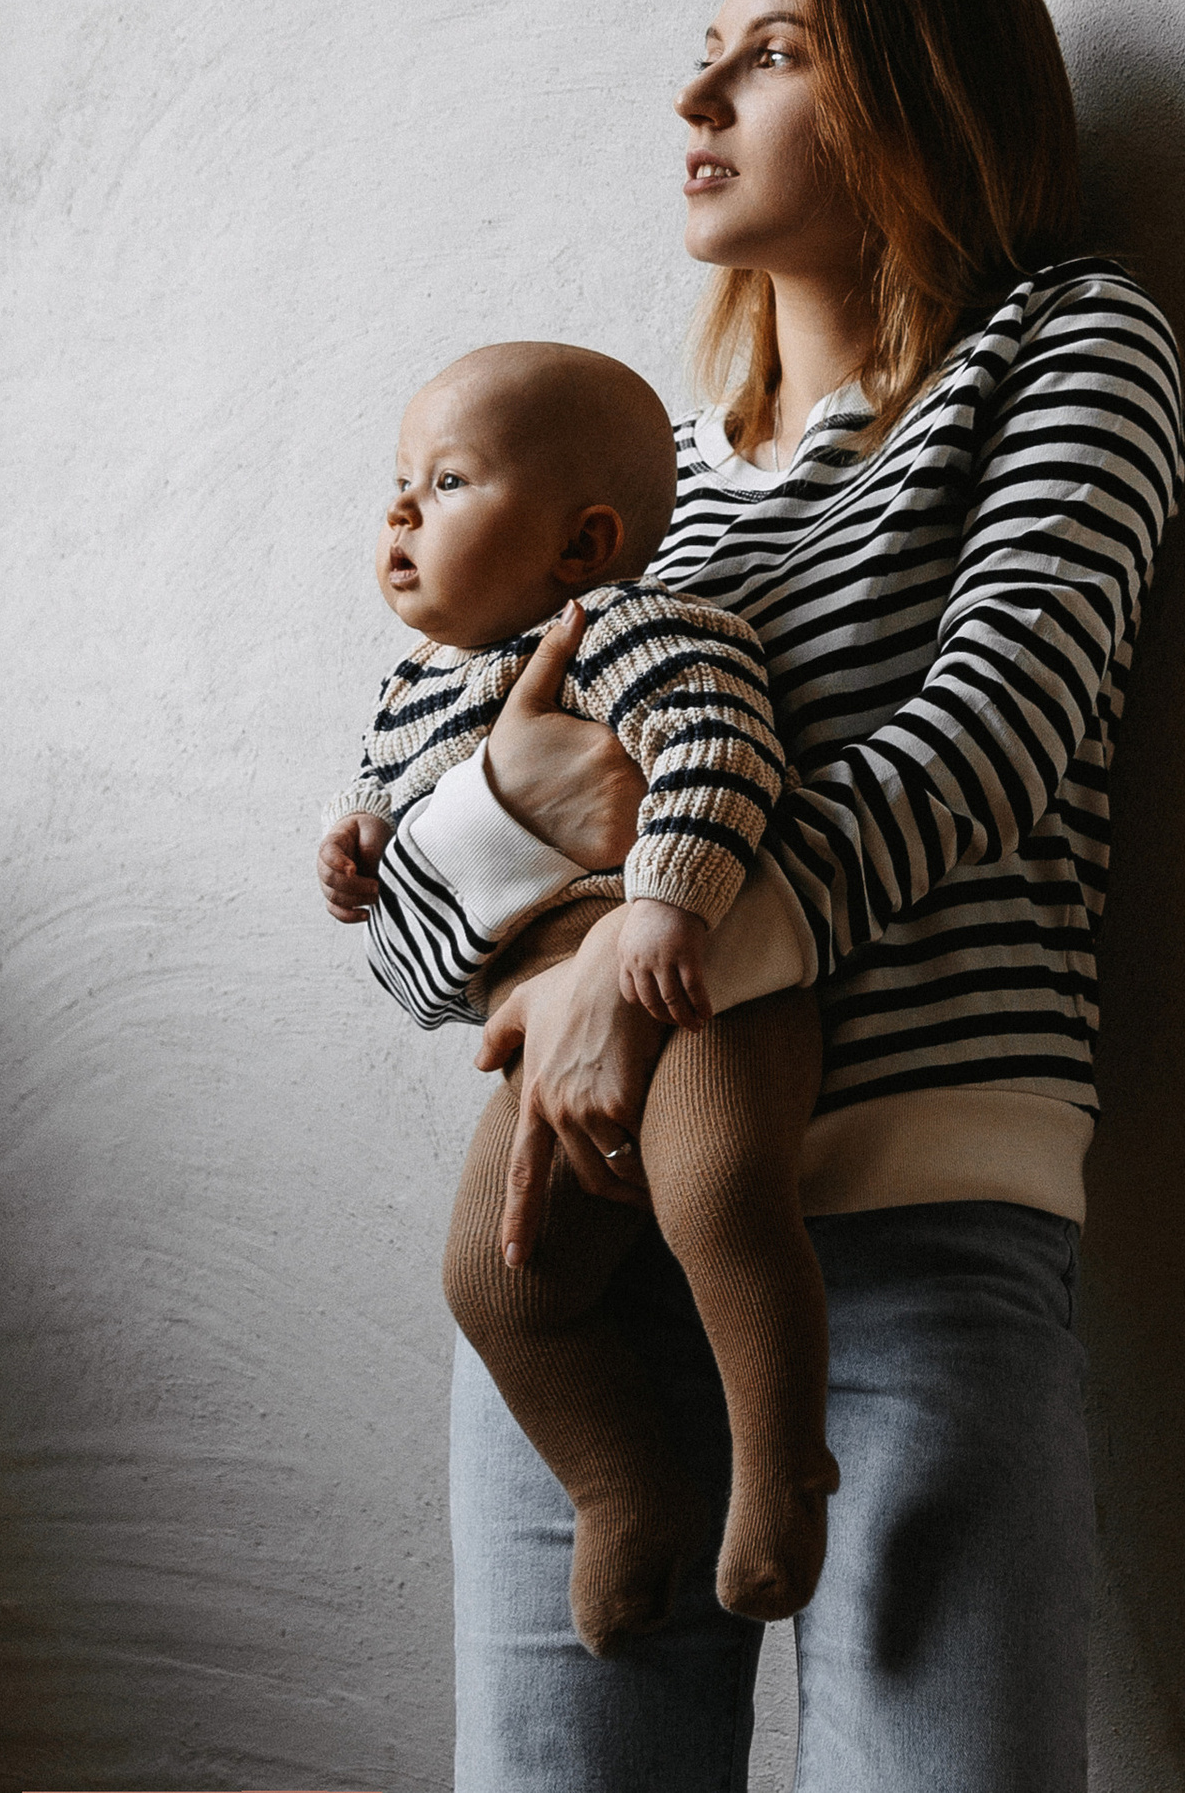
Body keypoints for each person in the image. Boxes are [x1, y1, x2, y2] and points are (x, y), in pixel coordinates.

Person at [342, 0, 1185, 1793]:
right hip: (571, 1240)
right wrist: (516, 819)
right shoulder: (634, 484)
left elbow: (1001, 734)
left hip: (918, 1228)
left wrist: (654, 966)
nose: (696, 89)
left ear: (923, 95)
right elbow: (415, 948)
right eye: (710, 42)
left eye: (775, 50)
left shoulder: (1066, 343)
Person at [317, 338, 835, 1652]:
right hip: (537, 1027)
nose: (398, 510)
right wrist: (370, 841)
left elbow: (722, 743)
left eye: (445, 480)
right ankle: (624, 1486)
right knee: (496, 1278)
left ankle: (779, 1463)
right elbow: (414, 944)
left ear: (580, 539)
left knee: (718, 1184)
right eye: (398, 479)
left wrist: (663, 894)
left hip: (695, 979)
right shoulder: (406, 697)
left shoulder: (635, 628)